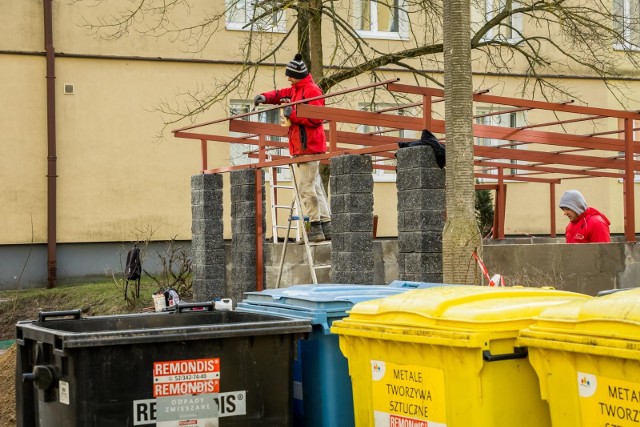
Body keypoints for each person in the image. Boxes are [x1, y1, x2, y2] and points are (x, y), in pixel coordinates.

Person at [254, 53, 331, 242]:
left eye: (290, 75)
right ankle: (326, 226)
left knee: (306, 188)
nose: (288, 78)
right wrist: (265, 97)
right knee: (316, 187)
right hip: (302, 146)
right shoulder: (296, 89)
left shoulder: (312, 91)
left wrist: (293, 114)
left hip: (309, 147)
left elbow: (317, 118)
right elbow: (280, 94)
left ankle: (316, 228)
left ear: (298, 74)